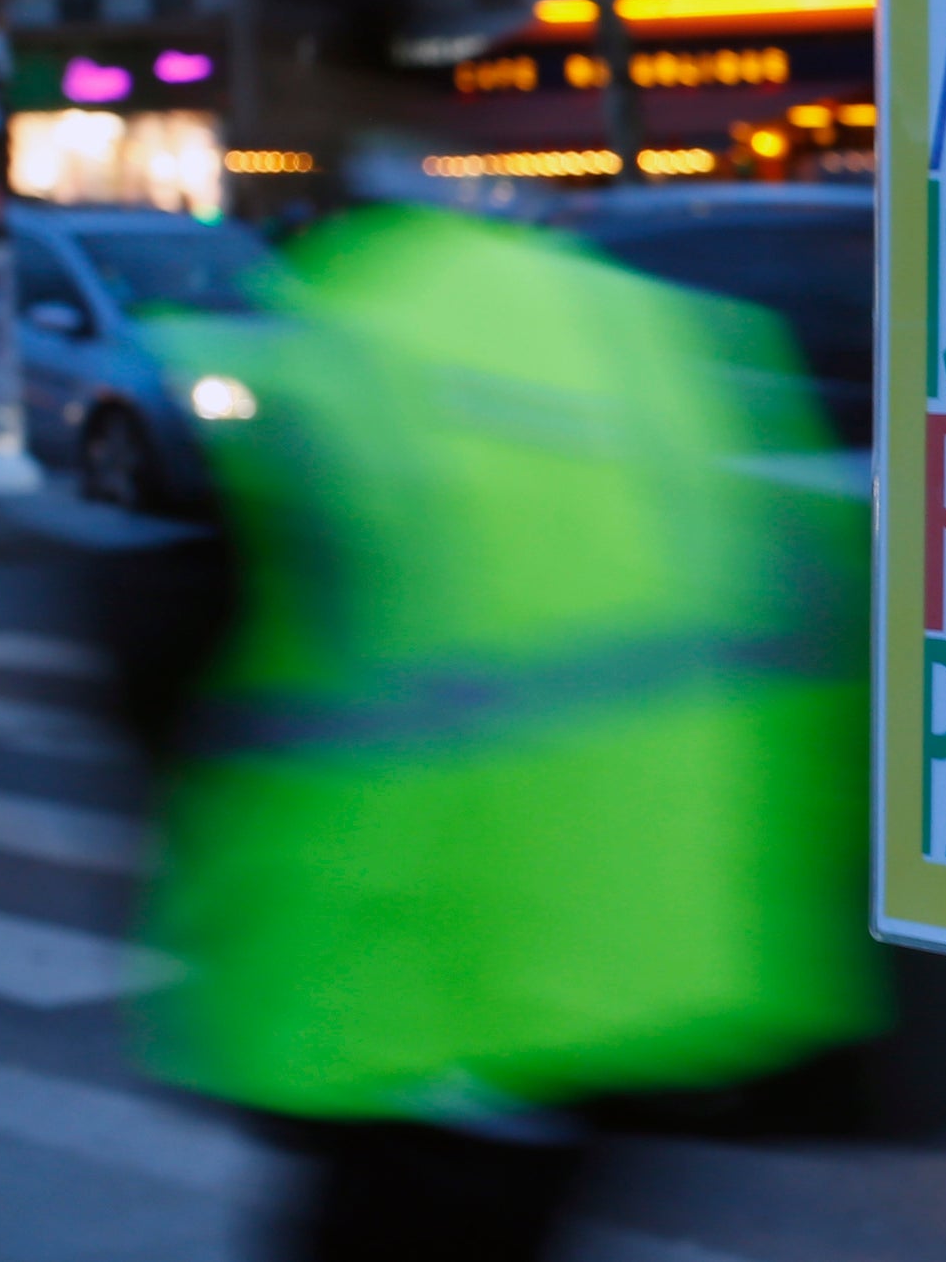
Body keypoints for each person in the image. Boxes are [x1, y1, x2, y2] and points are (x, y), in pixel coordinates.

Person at [128, 206, 885, 1261]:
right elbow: (812, 631)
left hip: (420, 995)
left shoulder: (318, 363)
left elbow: (182, 699)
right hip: (653, 971)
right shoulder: (663, 336)